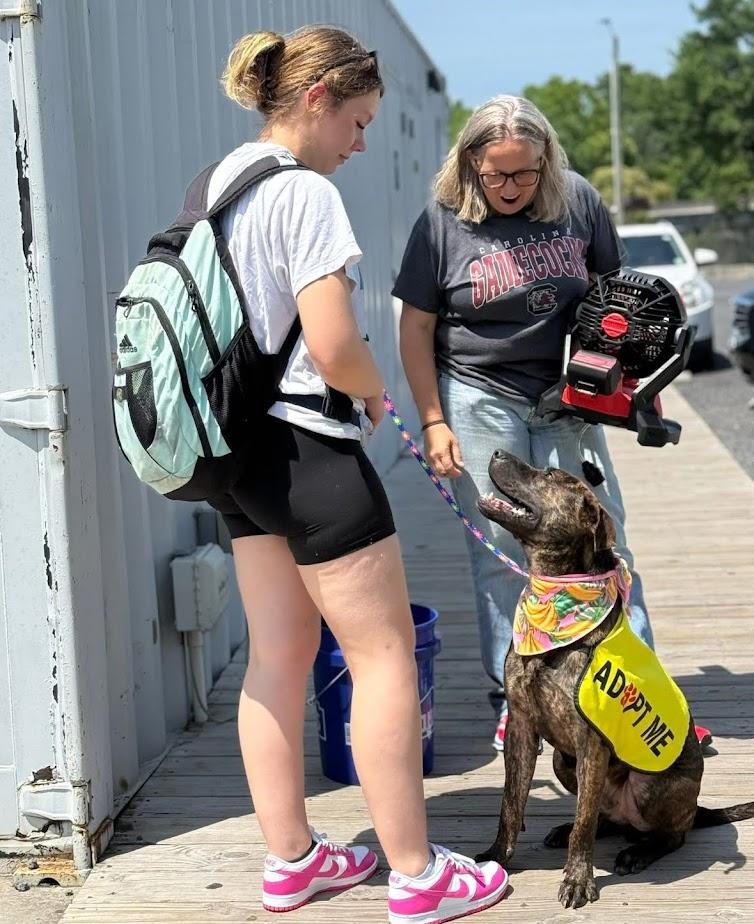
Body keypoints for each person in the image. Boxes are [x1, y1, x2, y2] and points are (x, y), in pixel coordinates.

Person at [204, 27, 509, 923]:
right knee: (380, 660)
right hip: (311, 452)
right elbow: (333, 342)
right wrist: (380, 394)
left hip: (241, 460)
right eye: (361, 121)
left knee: (277, 657)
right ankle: (416, 877)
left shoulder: (218, 183)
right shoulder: (304, 194)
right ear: (317, 100)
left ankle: (292, 861)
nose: (363, 142)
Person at [394, 94, 712, 753]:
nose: (511, 188)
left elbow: (616, 299)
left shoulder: (579, 202)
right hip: (479, 394)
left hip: (569, 397)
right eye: (497, 176)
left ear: (547, 163)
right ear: (470, 166)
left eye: (526, 173)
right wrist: (432, 421)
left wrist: (628, 388)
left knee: (603, 544)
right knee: (506, 555)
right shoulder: (442, 223)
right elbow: (416, 327)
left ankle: (639, 689)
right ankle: (518, 701)